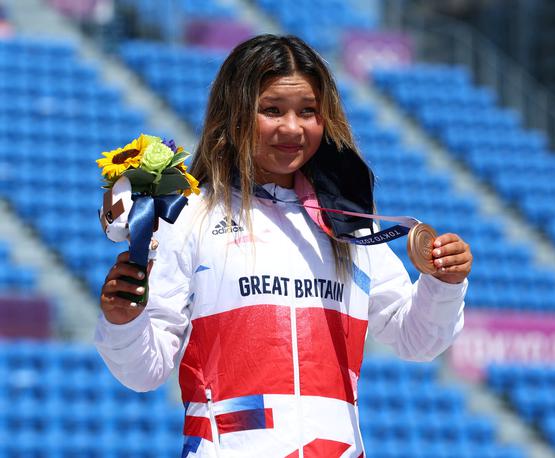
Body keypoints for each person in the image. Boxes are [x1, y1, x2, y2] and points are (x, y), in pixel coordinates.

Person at [95, 34, 472, 458]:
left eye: (308, 112)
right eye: (272, 110)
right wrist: (123, 321)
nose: (292, 128)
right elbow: (145, 371)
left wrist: (443, 282)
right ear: (234, 114)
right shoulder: (189, 217)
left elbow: (417, 339)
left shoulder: (349, 224)